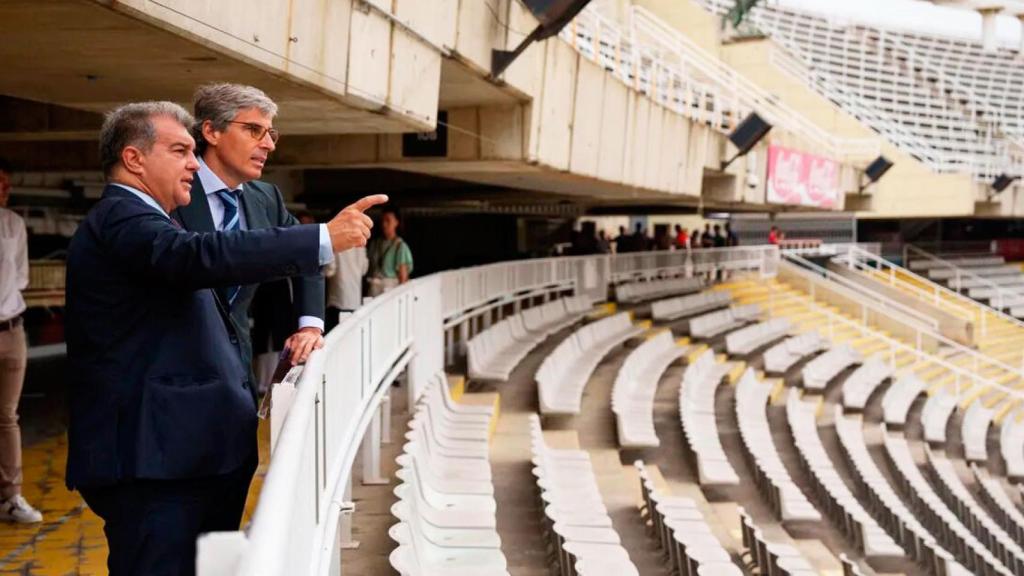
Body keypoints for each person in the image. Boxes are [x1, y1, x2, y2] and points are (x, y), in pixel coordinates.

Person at [64, 101, 387, 576]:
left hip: (191, 456)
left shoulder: (153, 217)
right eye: (180, 150)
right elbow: (195, 256)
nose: (194, 163)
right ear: (134, 159)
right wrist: (318, 237)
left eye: (194, 151)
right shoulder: (121, 217)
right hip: (154, 464)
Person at [172, 83, 324, 378]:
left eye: (270, 133)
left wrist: (309, 326)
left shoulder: (267, 199)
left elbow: (307, 251)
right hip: (172, 376)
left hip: (237, 369)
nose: (269, 144)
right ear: (211, 132)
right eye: (254, 130)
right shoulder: (173, 189)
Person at [0, 159, 42, 524]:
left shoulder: (14, 223)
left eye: (6, 184)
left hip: (12, 329)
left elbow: (21, 276)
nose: (4, 190)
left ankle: (11, 496)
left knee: (7, 417)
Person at [367, 207, 413, 297]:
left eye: (388, 220)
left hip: (390, 291)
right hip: (374, 290)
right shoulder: (375, 244)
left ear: (396, 222)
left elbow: (403, 277)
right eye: (383, 220)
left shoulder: (400, 246)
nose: (384, 224)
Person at [325, 243, 369, 333]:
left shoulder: (338, 242)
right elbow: (364, 269)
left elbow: (330, 271)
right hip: (355, 300)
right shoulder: (361, 243)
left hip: (338, 299)